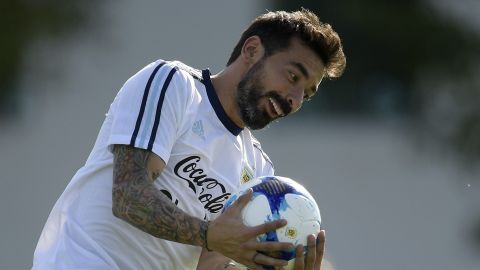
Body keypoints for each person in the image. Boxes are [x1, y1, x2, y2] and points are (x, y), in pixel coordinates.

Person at [32, 8, 346, 270]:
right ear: (252, 51)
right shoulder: (174, 85)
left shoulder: (259, 171)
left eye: (306, 94)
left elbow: (212, 263)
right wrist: (211, 234)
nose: (294, 99)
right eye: (293, 77)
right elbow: (128, 195)